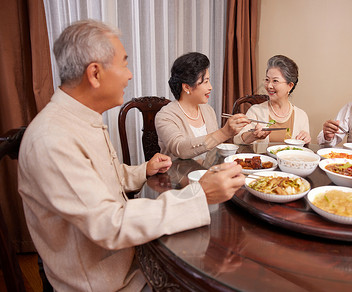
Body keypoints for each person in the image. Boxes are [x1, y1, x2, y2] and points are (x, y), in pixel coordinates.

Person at [17, 19, 245, 291]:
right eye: (124, 63)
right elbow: (109, 224)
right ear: (95, 73)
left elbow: (94, 179)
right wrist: (200, 195)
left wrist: (141, 170)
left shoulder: (79, 120)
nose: (130, 75)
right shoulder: (53, 139)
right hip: (110, 281)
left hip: (130, 258)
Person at [155, 52, 250, 160]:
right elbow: (180, 149)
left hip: (208, 173)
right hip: (179, 175)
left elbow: (214, 151)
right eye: (205, 82)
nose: (210, 87)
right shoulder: (165, 116)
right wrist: (224, 133)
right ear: (187, 87)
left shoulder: (208, 110)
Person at [233, 55, 311, 144]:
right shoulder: (256, 111)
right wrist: (253, 136)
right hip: (263, 158)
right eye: (267, 80)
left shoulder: (301, 116)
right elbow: (238, 140)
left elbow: (303, 149)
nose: (269, 86)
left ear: (290, 86)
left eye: (275, 81)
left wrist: (306, 140)